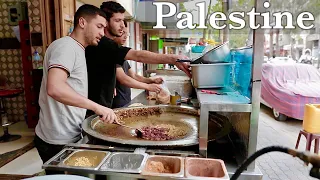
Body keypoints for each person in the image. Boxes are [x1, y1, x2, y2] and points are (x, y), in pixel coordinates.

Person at [34, 5, 118, 174]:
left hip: (68, 133)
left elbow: (72, 86)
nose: (102, 33)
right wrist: (96, 107)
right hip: (57, 139)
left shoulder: (78, 49)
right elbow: (55, 88)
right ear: (82, 22)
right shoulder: (66, 46)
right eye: (99, 26)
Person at [85, 1, 190, 113]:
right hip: (95, 109)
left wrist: (148, 81)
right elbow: (137, 55)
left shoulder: (108, 46)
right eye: (117, 20)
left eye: (122, 20)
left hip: (103, 108)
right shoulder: (103, 44)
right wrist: (173, 59)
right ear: (105, 22)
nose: (122, 25)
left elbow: (129, 74)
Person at [112, 22, 163, 108]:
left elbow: (134, 75)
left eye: (127, 34)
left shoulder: (123, 58)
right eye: (122, 33)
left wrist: (150, 81)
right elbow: (124, 79)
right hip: (115, 103)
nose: (125, 37)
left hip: (126, 100)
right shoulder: (112, 55)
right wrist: (148, 86)